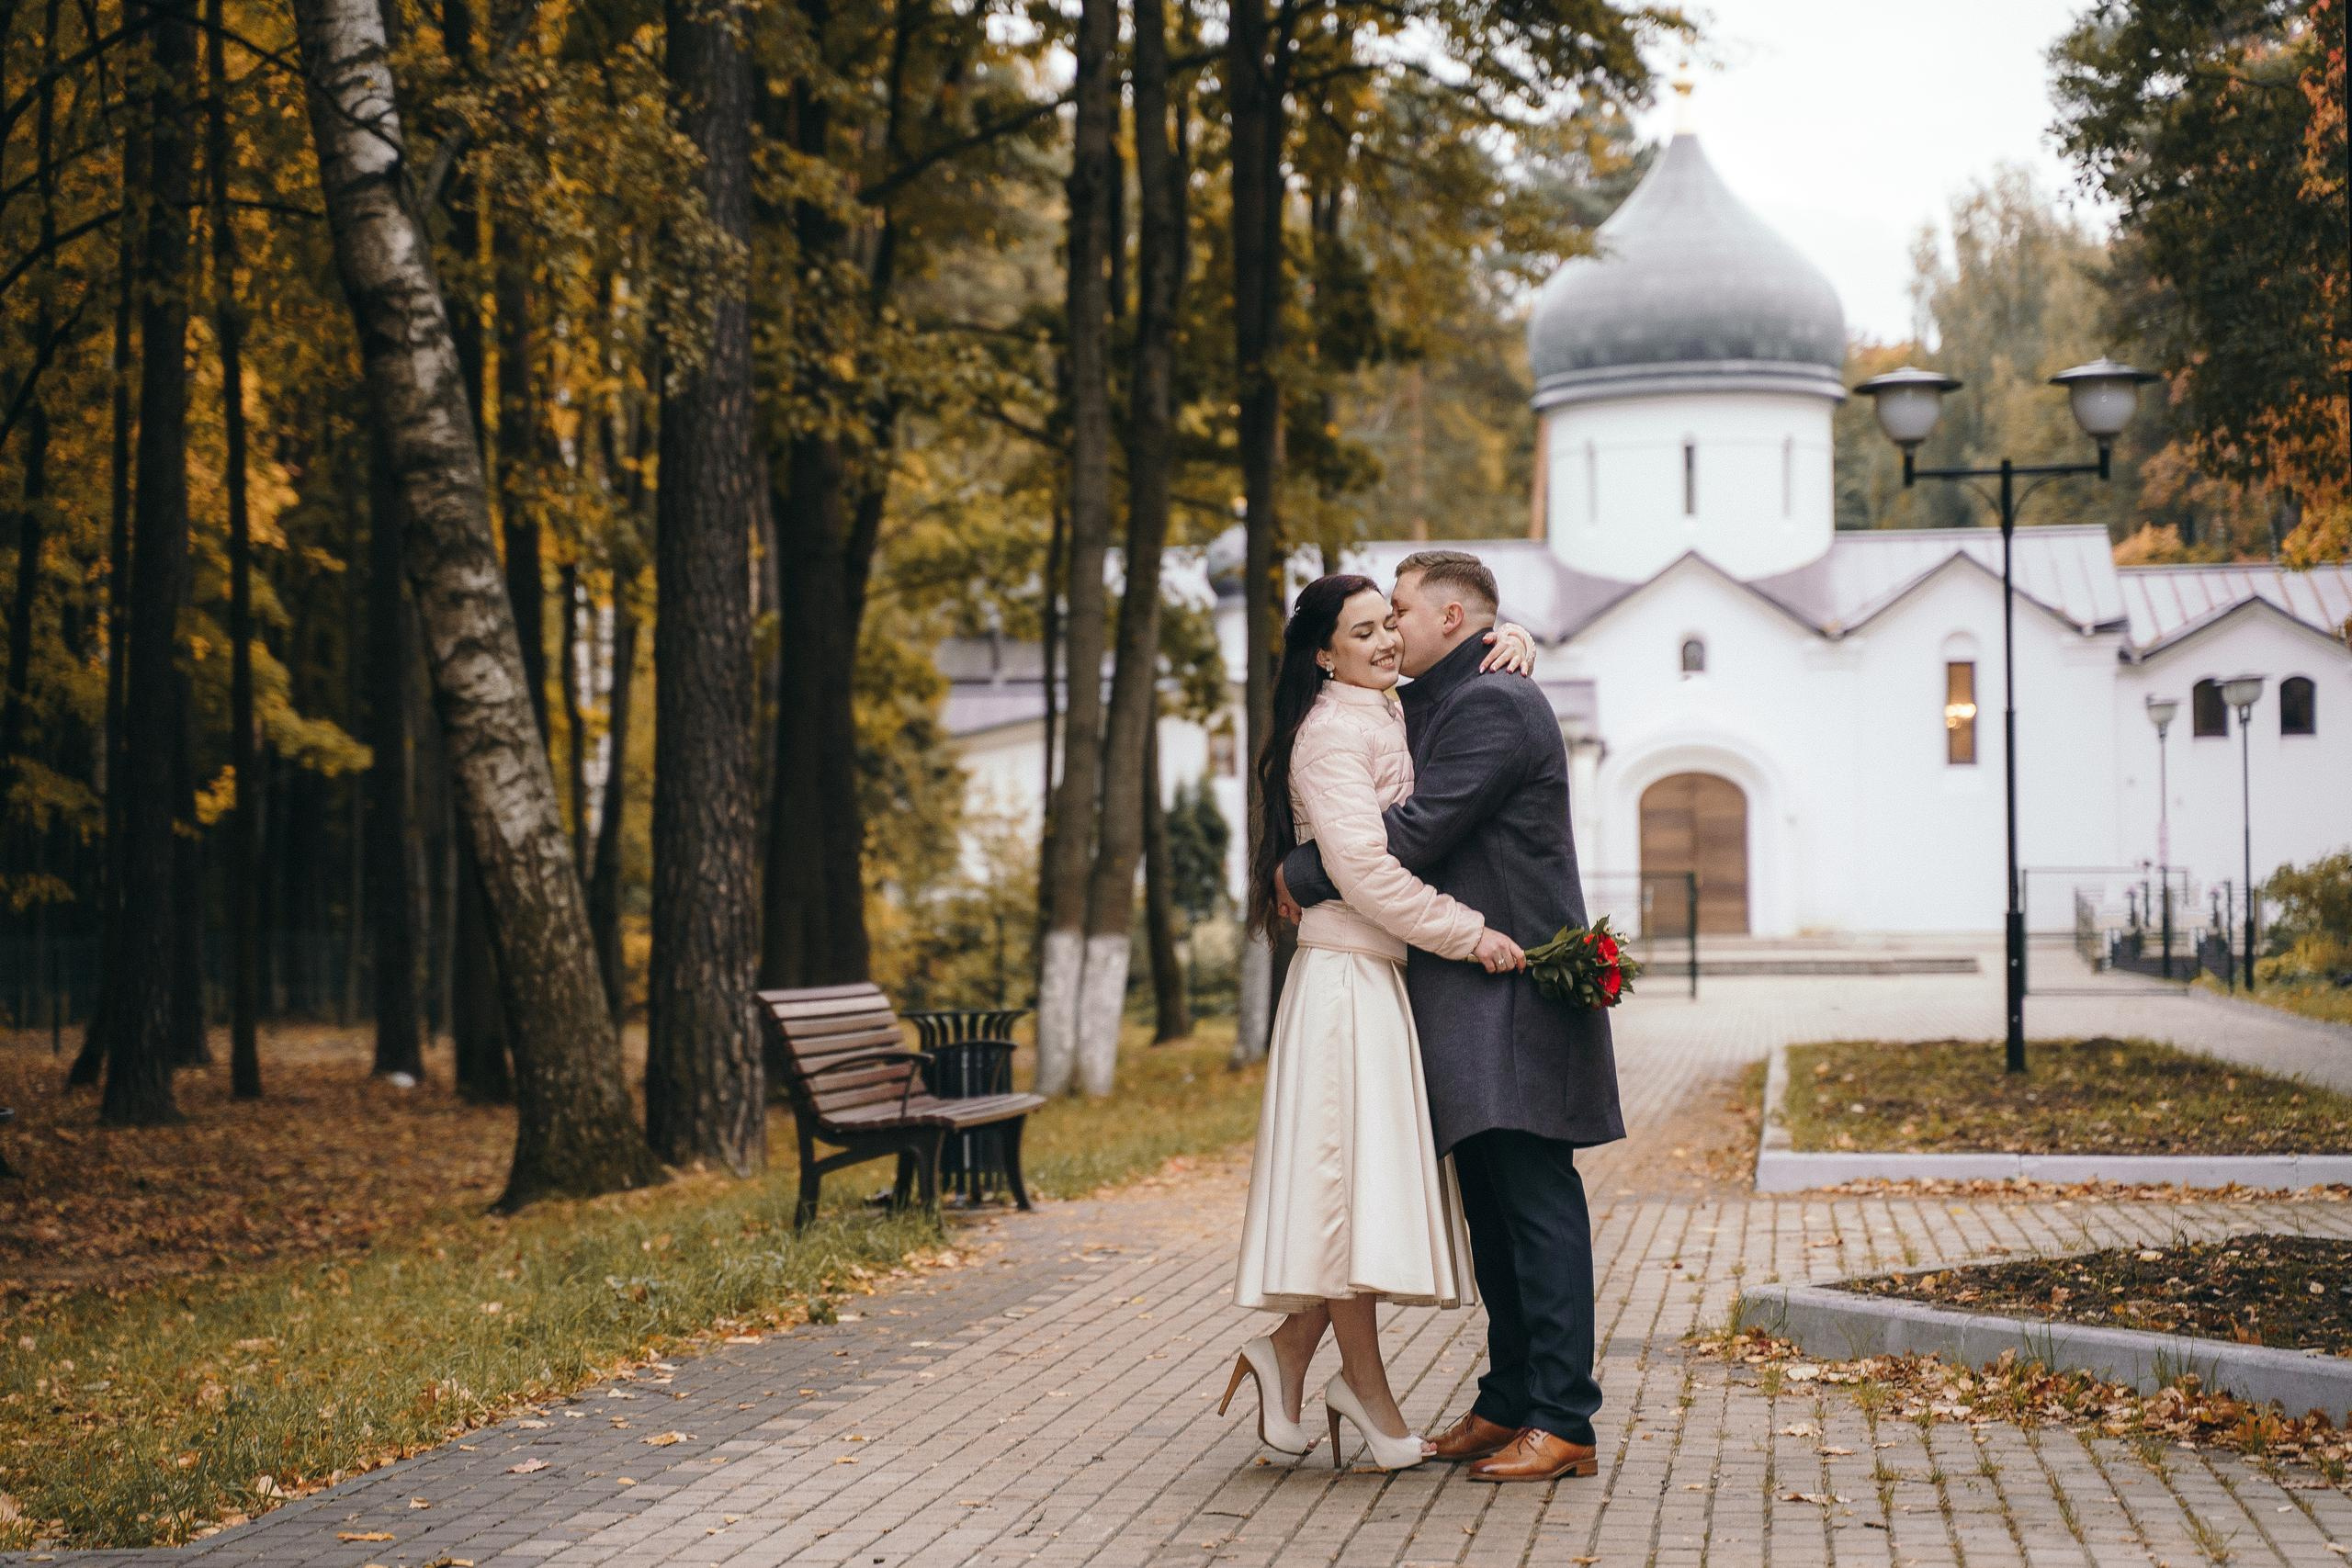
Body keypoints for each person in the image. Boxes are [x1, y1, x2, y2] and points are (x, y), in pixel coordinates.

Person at [1276, 550, 1623, 1484]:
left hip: (1513, 989)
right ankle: (1509, 1401)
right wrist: (1519, 638)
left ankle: (1563, 1419)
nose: (1390, 629)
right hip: (1471, 992)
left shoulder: (1493, 705)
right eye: (1377, 618)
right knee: (1495, 1212)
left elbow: (1415, 829)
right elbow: (1371, 765)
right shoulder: (1439, 696)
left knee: (1534, 1205)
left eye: (1400, 613)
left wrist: (1300, 872)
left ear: (1453, 616)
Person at [1224, 573, 1535, 1472]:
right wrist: (1470, 934)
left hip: (1379, 981)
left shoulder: (1382, 710)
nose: (1385, 642)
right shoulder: (1330, 736)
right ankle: (1354, 1384)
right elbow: (1363, 872)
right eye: (1363, 632)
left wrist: (1506, 640)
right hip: (1346, 982)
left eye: (1385, 625)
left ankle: (1296, 1355)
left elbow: (1454, 688)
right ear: (1325, 653)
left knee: (1350, 1195)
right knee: (1342, 1195)